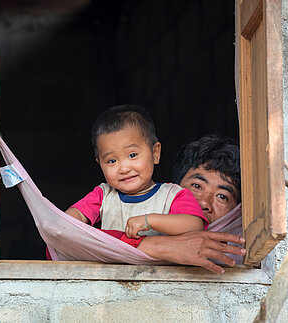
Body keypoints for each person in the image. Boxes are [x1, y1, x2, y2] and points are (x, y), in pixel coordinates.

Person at [65, 105, 209, 246]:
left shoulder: (173, 195)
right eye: (111, 161)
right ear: (100, 164)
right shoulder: (103, 195)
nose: (124, 168)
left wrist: (150, 221)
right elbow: (70, 219)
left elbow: (194, 226)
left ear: (155, 153)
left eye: (132, 155)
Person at [137, 134, 245, 274]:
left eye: (221, 196)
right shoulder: (140, 222)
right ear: (172, 188)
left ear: (236, 212)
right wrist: (167, 247)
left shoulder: (245, 256)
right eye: (197, 186)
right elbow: (102, 243)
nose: (204, 203)